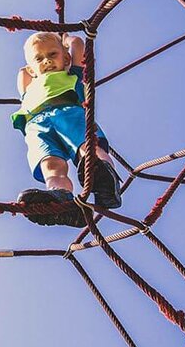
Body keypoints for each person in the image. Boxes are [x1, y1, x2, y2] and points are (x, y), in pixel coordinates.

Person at [13, 32, 123, 227]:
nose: (46, 61)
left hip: (68, 111)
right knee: (51, 166)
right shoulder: (29, 86)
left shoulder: (71, 74)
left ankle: (106, 181)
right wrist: (37, 58)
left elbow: (79, 45)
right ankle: (62, 199)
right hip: (36, 125)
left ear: (66, 58)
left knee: (87, 149)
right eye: (39, 58)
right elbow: (23, 73)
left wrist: (66, 40)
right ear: (32, 68)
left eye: (52, 54)